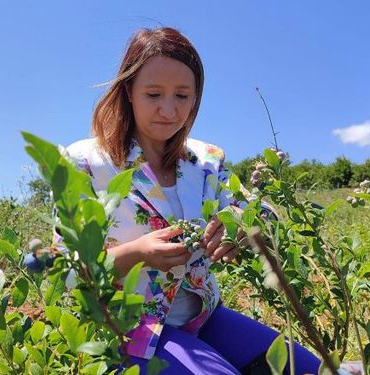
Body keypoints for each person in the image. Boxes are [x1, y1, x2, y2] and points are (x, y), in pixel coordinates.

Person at [63, 27, 320, 374]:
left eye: (182, 96)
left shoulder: (205, 160)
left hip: (202, 316)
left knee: (307, 369)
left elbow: (263, 214)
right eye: (153, 94)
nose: (168, 110)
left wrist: (238, 225)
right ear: (128, 91)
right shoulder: (88, 163)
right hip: (125, 325)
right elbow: (65, 269)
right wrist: (136, 253)